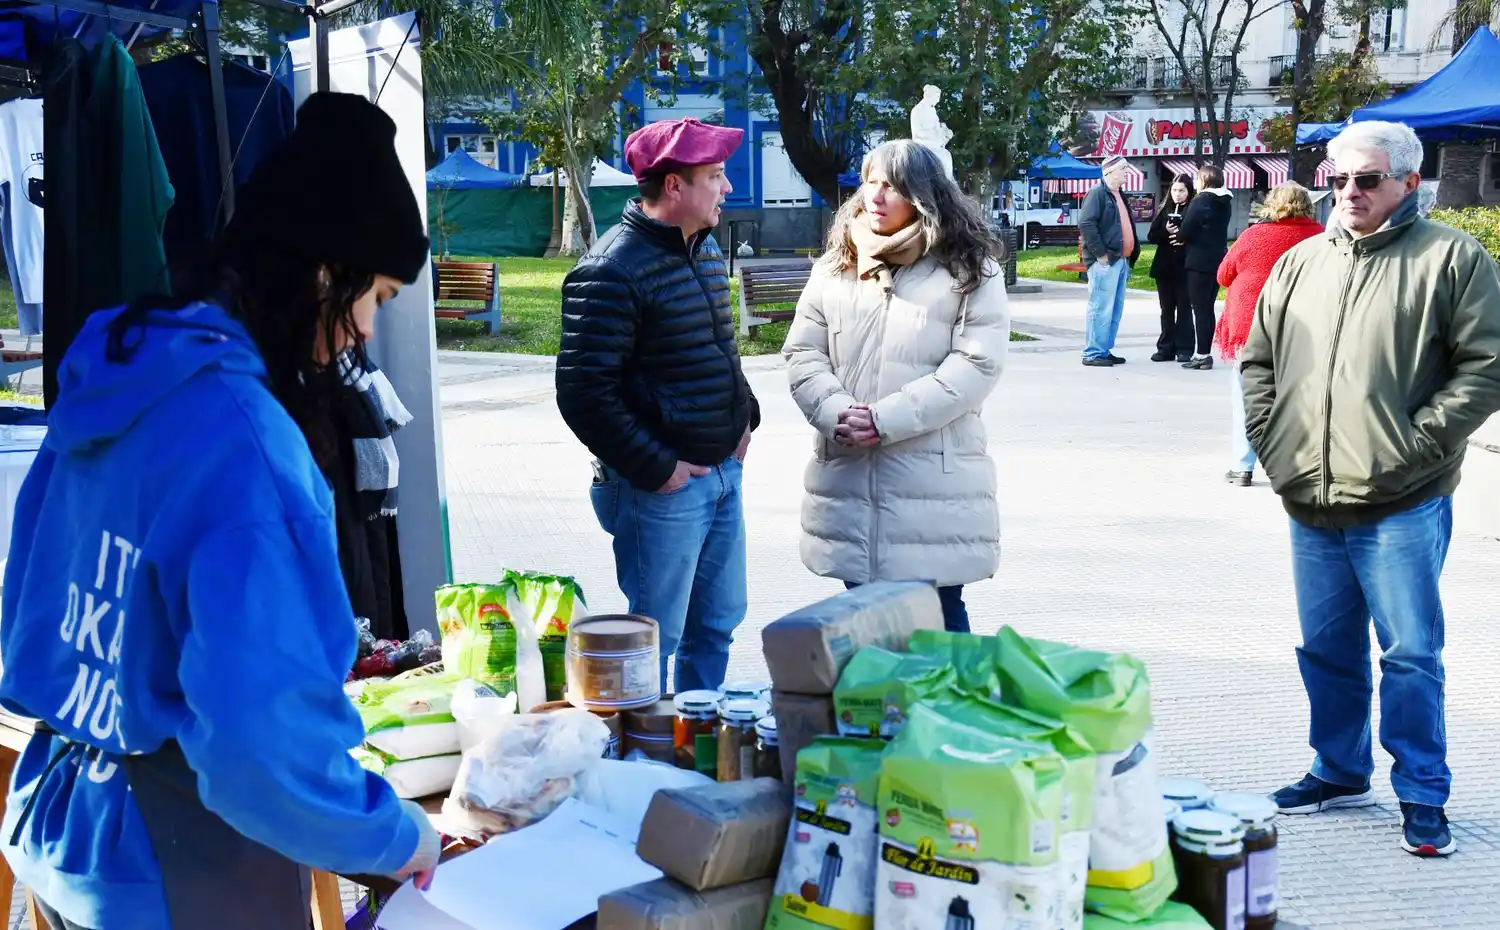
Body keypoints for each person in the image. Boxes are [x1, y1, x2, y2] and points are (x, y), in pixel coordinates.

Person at [0, 93, 440, 930]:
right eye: (377, 296)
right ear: (323, 274)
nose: (367, 332)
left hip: (61, 824)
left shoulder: (119, 367)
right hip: (177, 861)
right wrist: (393, 838)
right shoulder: (246, 443)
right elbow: (259, 748)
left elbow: (29, 599)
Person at [1241, 120, 1500, 857]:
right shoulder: (1302, 263)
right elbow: (1259, 361)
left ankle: (1422, 792)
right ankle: (1340, 768)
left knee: (1411, 654)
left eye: (1368, 179)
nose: (1349, 192)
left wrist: (1412, 449)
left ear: (1407, 183)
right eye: (1339, 178)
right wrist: (1274, 444)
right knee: (1325, 649)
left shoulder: (1451, 257)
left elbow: (1485, 365)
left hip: (1402, 500)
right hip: (1308, 495)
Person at [556, 117, 759, 693]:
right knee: (652, 639)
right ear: (674, 186)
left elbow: (719, 347)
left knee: (716, 624)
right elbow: (582, 393)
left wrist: (745, 417)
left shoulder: (703, 246)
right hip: (662, 488)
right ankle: (639, 762)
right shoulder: (609, 271)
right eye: (715, 176)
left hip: (722, 475)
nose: (726, 188)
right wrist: (658, 468)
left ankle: (695, 744)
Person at [782, 139, 1009, 633]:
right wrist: (836, 411)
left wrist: (885, 421)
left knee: (939, 631)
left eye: (892, 185)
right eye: (871, 182)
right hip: (850, 478)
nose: (876, 196)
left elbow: (976, 365)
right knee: (865, 635)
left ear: (924, 195)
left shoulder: (969, 269)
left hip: (932, 488)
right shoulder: (835, 267)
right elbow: (803, 353)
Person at [1214, 182, 1322, 487]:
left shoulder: (1253, 235)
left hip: (1250, 328)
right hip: (1300, 327)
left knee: (1246, 396)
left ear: (1273, 204)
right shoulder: (1320, 236)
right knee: (1297, 397)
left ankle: (1242, 466)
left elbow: (1224, 275)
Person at [1078, 155, 1141, 367]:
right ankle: (1093, 352)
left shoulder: (1118, 195)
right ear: (1109, 172)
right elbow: (1086, 223)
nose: (1126, 172)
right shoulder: (1097, 194)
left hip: (1121, 260)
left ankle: (1104, 349)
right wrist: (1100, 254)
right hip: (1106, 261)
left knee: (1114, 309)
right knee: (1101, 307)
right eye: (1123, 168)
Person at [1177, 165, 1233, 370]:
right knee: (1207, 309)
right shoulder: (1226, 201)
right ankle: (1204, 352)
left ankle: (1201, 355)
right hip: (1217, 259)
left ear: (1204, 181)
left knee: (1199, 309)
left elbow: (1186, 230)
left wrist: (1180, 234)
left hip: (1198, 260)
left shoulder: (1200, 200)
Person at [1147, 174, 1195, 363]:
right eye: (1174, 190)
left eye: (1182, 190)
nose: (1177, 194)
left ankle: (1184, 348)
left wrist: (1183, 235)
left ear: (1189, 191)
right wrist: (1165, 231)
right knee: (1166, 308)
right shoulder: (1164, 209)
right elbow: (1152, 236)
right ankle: (1165, 347)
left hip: (1185, 265)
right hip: (1165, 267)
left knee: (1184, 307)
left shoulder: (1193, 210)